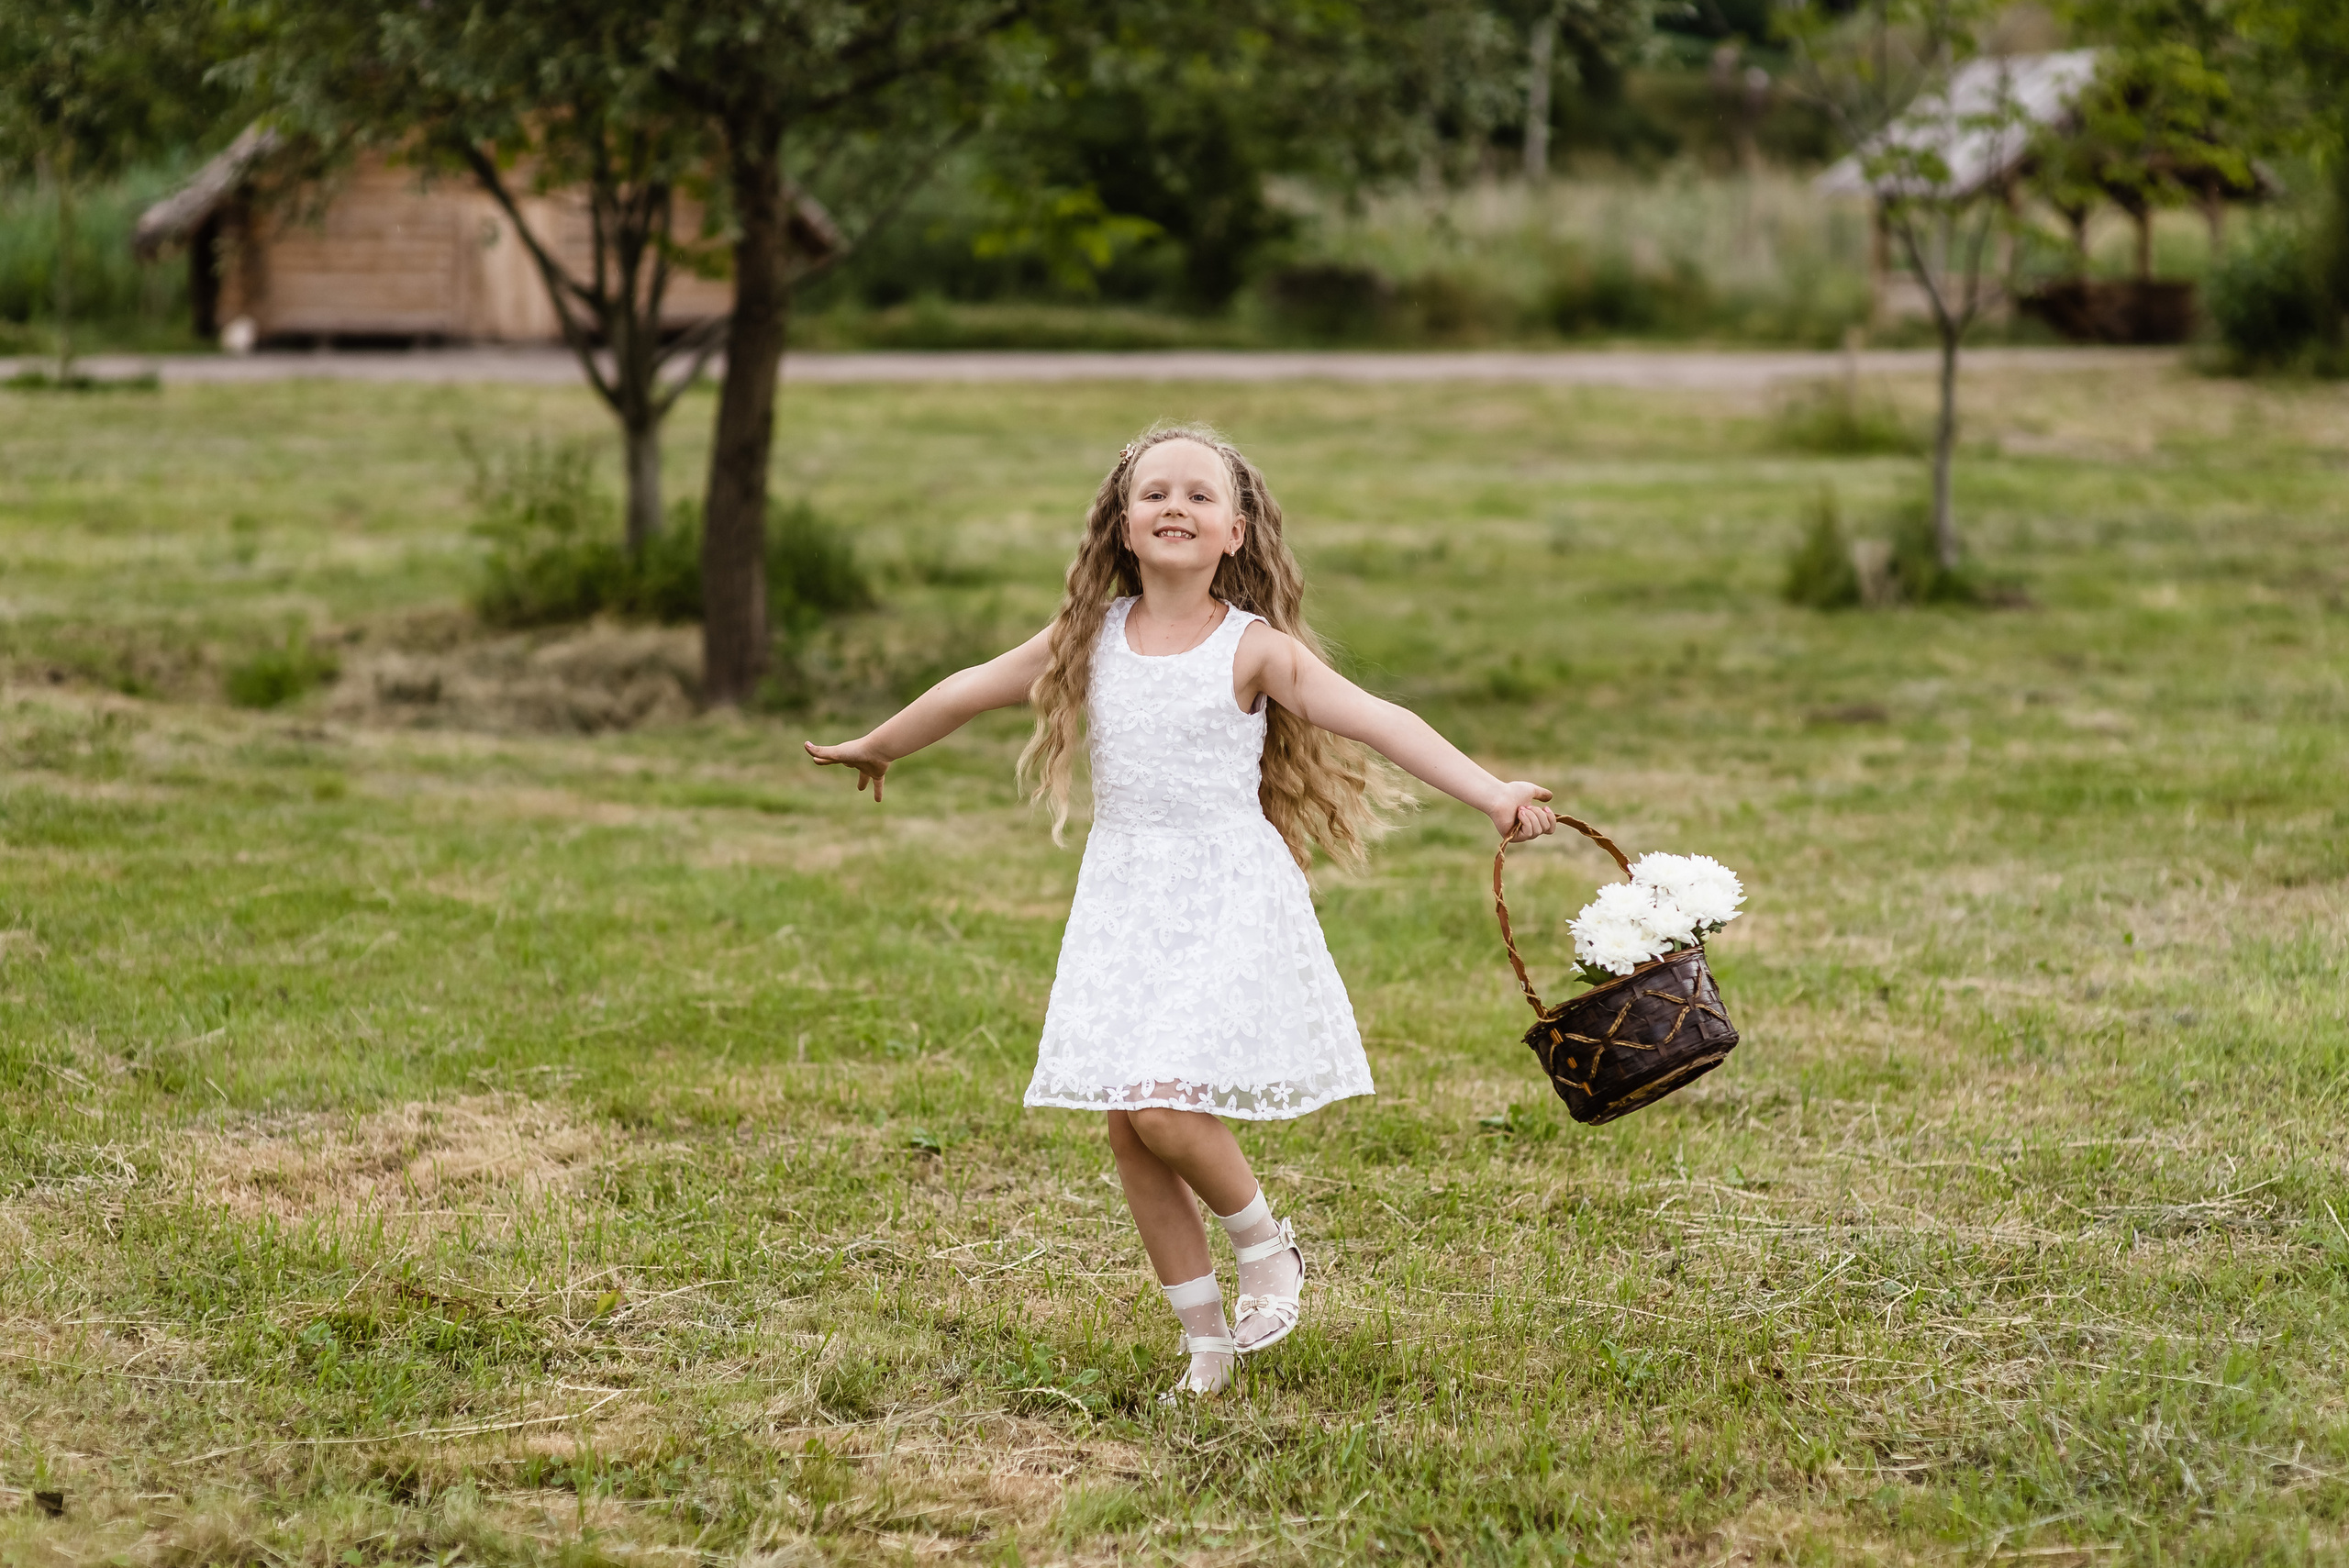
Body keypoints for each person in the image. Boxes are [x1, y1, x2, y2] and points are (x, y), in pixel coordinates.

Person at [807, 423, 1559, 1398]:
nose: (1175, 506)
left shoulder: (1253, 649)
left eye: (1200, 495)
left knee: (1163, 1105)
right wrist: (881, 743)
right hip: (1126, 900)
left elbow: (1381, 718)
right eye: (1154, 491)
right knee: (1128, 1125)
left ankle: (1268, 1248)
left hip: (1223, 893)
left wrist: (1492, 791)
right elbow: (969, 688)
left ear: (1235, 532)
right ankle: (1206, 1344)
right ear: (1122, 525)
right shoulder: (1089, 638)